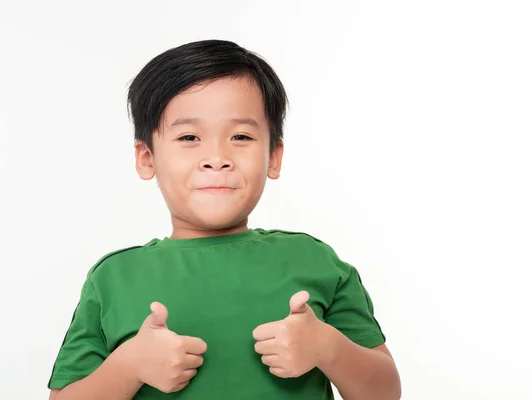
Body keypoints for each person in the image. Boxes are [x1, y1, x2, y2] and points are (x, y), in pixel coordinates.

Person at [47, 39, 401, 400]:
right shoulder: (112, 278)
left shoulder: (316, 261)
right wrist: (128, 366)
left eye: (240, 136)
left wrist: (329, 348)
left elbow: (385, 392)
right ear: (147, 158)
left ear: (273, 156)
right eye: (189, 137)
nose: (216, 158)